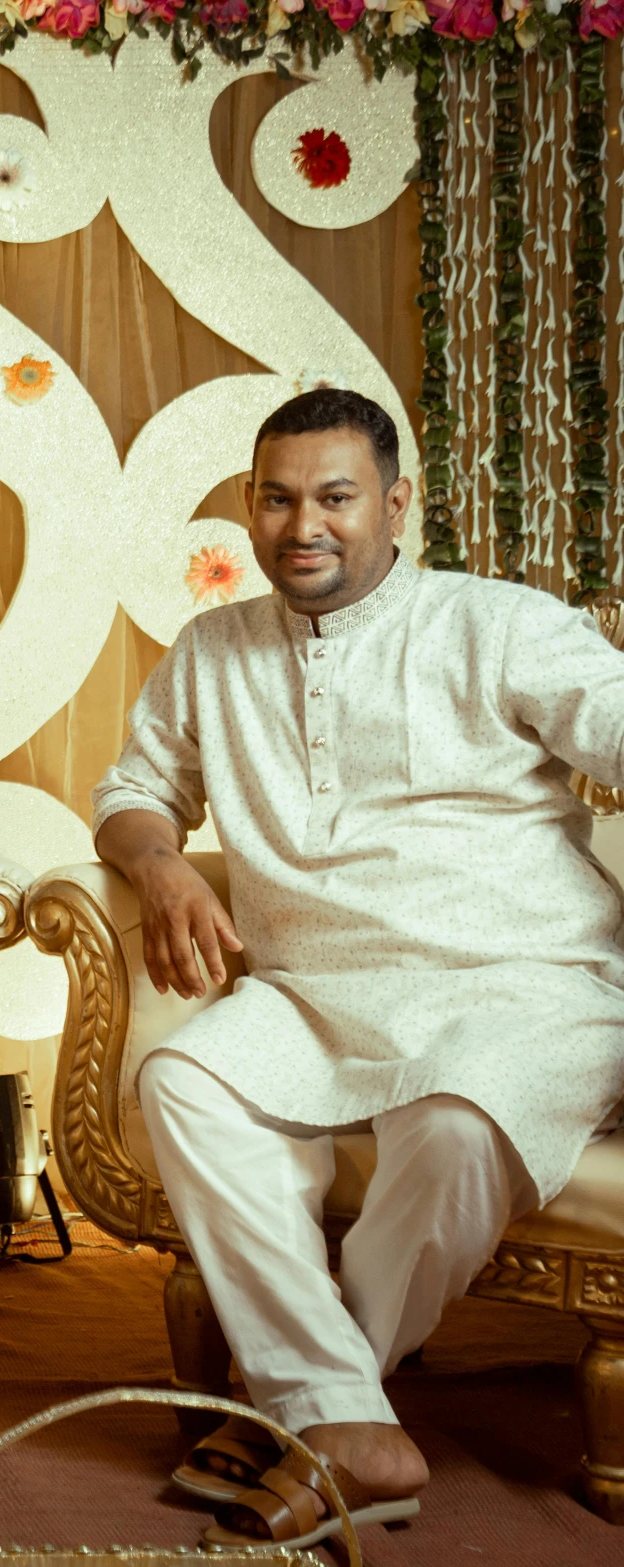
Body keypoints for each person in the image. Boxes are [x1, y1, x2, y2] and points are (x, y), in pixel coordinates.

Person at [93, 388, 624, 1549]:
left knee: (451, 1121)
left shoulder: (497, 623)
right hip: (313, 990)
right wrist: (161, 868)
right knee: (183, 1079)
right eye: (277, 499)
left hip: (521, 981)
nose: (303, 526)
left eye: (334, 497)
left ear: (393, 503)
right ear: (247, 507)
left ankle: (320, 1410)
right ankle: (351, 1422)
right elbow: (133, 792)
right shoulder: (210, 650)